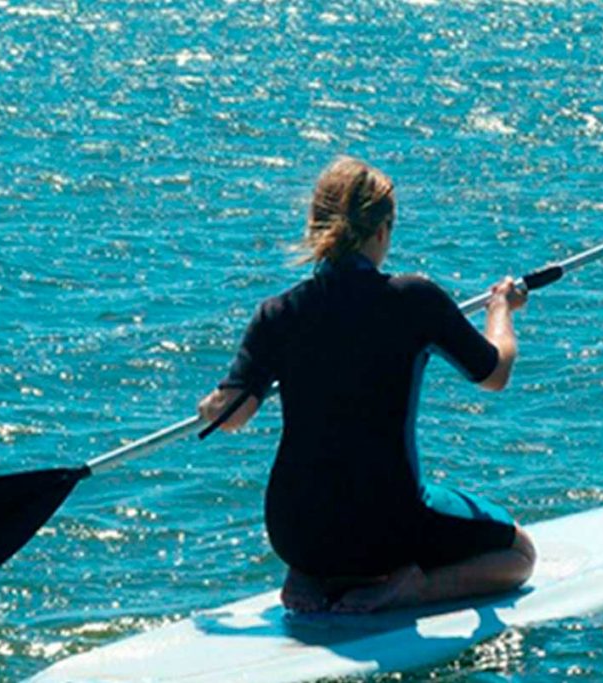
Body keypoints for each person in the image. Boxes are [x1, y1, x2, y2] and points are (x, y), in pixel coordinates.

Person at [198, 157, 536, 614]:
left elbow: (231, 416)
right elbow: (495, 374)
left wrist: (212, 406)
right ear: (381, 231)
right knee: (518, 555)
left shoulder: (278, 313)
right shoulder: (415, 299)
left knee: (326, 505)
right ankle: (411, 588)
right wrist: (501, 309)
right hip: (386, 531)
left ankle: (310, 580)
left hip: (294, 534)